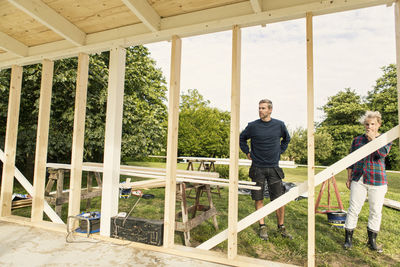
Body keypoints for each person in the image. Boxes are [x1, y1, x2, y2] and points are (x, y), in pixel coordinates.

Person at [239, 99, 291, 241]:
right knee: (259, 197)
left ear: (270, 110)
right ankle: (262, 226)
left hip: (274, 167)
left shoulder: (279, 125)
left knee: (279, 199)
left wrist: (280, 150)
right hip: (257, 168)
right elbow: (241, 138)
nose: (260, 110)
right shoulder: (252, 126)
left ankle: (281, 226)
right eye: (259, 108)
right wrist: (247, 152)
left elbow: (287, 139)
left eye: (263, 108)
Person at [343, 111, 392, 253]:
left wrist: (372, 139)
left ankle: (372, 241)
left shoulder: (385, 138)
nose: (369, 127)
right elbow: (350, 160)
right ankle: (348, 240)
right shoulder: (357, 140)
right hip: (359, 178)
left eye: (372, 124)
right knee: (353, 209)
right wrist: (349, 178)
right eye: (367, 124)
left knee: (376, 211)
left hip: (378, 180)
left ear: (378, 125)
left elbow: (381, 154)